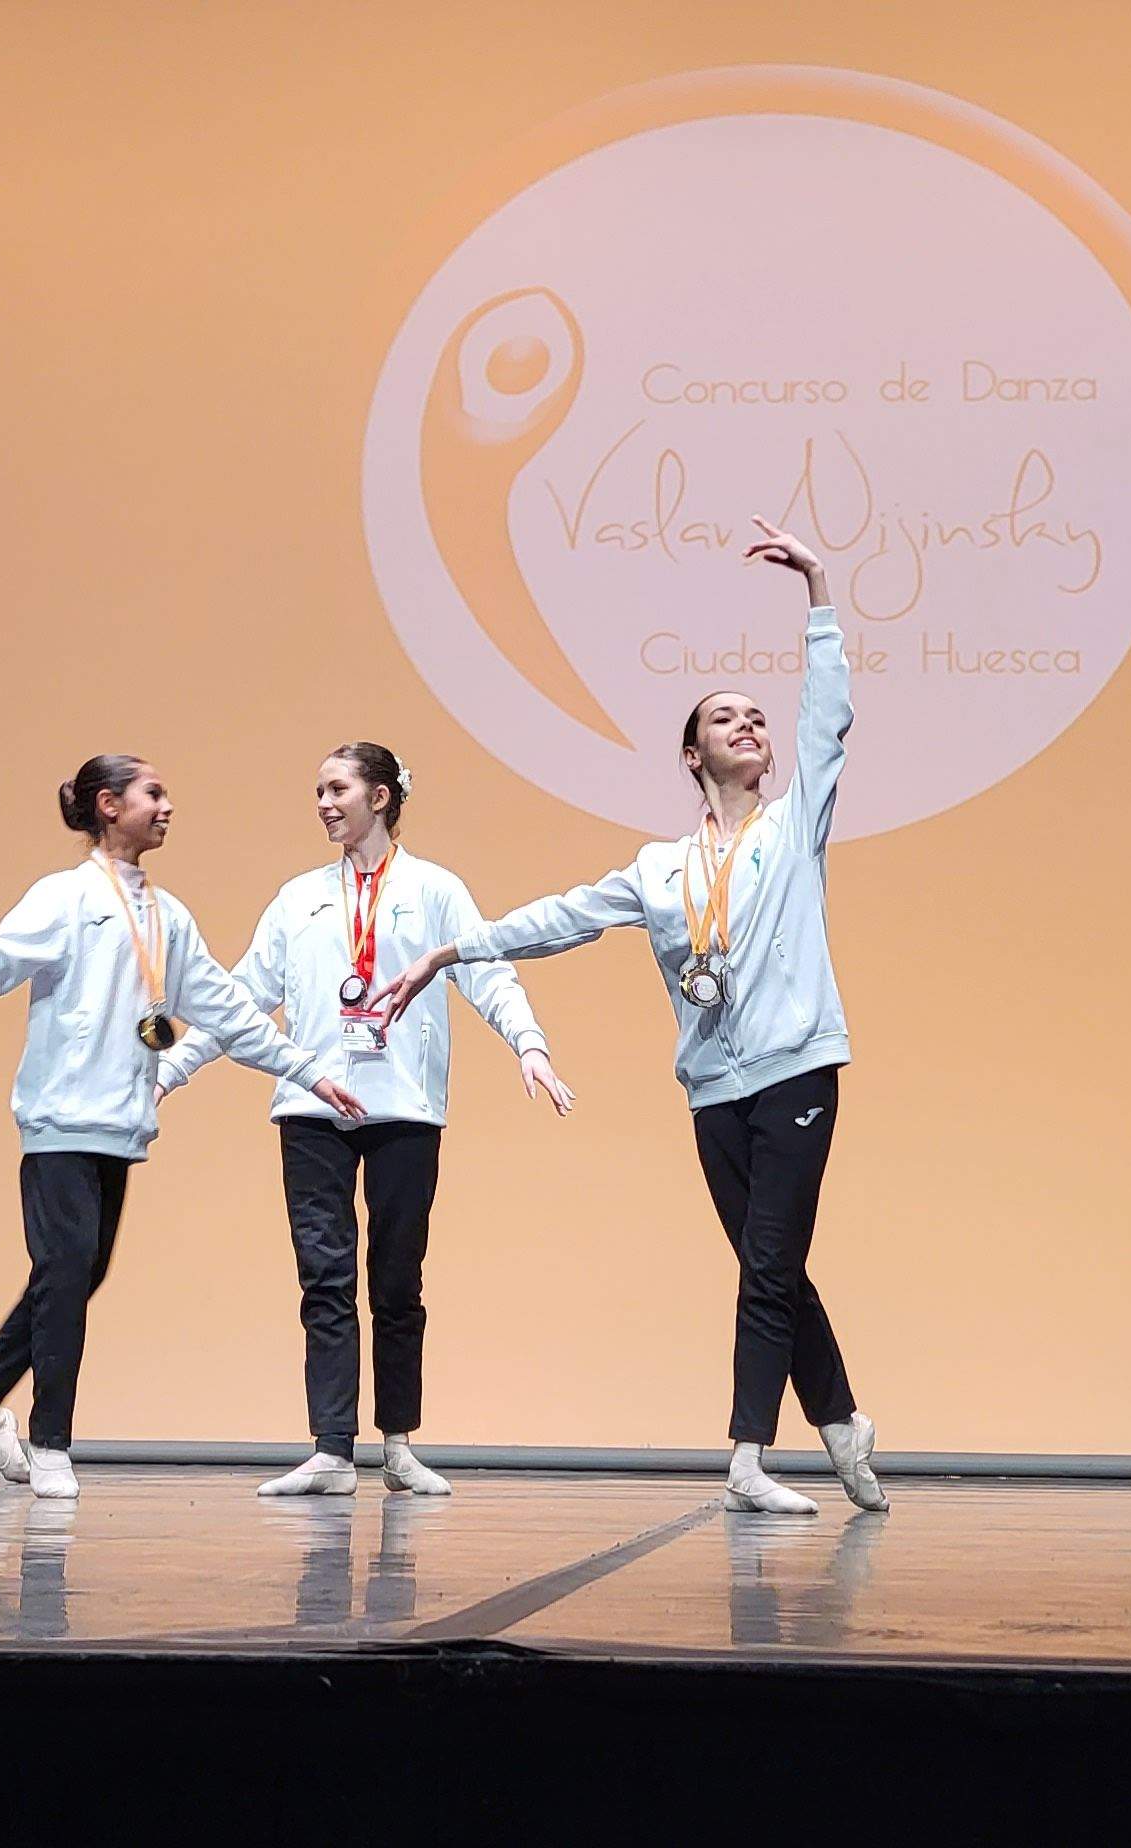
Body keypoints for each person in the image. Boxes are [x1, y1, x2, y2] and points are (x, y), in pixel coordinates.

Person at [376, 519, 889, 1516]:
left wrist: (820, 590)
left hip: (794, 1071)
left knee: (768, 1271)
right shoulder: (659, 870)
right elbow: (562, 917)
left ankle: (747, 1457)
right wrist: (454, 946)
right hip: (713, 1091)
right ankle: (843, 1422)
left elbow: (826, 720)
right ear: (690, 753)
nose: (749, 724)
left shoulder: (792, 830)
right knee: (767, 1265)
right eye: (724, 716)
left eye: (755, 716)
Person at [0, 754, 369, 1500]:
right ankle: (51, 1443)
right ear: (108, 805)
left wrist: (308, 1070)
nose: (167, 806)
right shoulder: (65, 897)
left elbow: (229, 1012)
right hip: (60, 1121)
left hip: (118, 1127)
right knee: (66, 1276)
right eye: (152, 793)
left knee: (76, 1273)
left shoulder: (168, 916)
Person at [160, 742, 574, 1498]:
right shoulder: (297, 898)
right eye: (317, 790)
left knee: (396, 1281)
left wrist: (530, 1045)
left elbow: (489, 974)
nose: (323, 802)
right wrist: (171, 1071)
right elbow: (242, 998)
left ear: (379, 797)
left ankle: (399, 1444)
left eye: (336, 788)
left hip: (404, 1110)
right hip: (311, 1109)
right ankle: (330, 1449)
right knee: (323, 1280)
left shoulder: (435, 889)